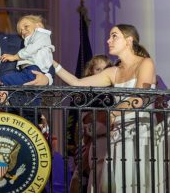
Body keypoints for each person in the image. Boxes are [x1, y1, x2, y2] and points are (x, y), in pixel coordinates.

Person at [53, 24, 156, 192]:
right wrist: (51, 62)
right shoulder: (113, 72)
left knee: (133, 182)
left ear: (129, 40)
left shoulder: (145, 63)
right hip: (117, 134)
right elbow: (77, 83)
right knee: (113, 182)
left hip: (139, 134)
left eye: (114, 36)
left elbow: (139, 99)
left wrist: (112, 112)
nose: (108, 40)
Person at [69, 55, 113, 193]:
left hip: (106, 140)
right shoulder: (87, 94)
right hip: (87, 139)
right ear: (91, 72)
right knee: (78, 176)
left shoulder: (112, 92)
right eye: (98, 69)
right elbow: (86, 120)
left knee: (100, 175)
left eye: (105, 69)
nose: (102, 73)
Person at [0, 15, 54, 85]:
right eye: (21, 32)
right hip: (29, 70)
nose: (23, 31)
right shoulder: (31, 39)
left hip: (34, 70)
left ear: (38, 25)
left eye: (26, 26)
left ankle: (0, 82)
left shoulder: (42, 35)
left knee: (6, 79)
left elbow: (31, 49)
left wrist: (15, 57)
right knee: (12, 78)